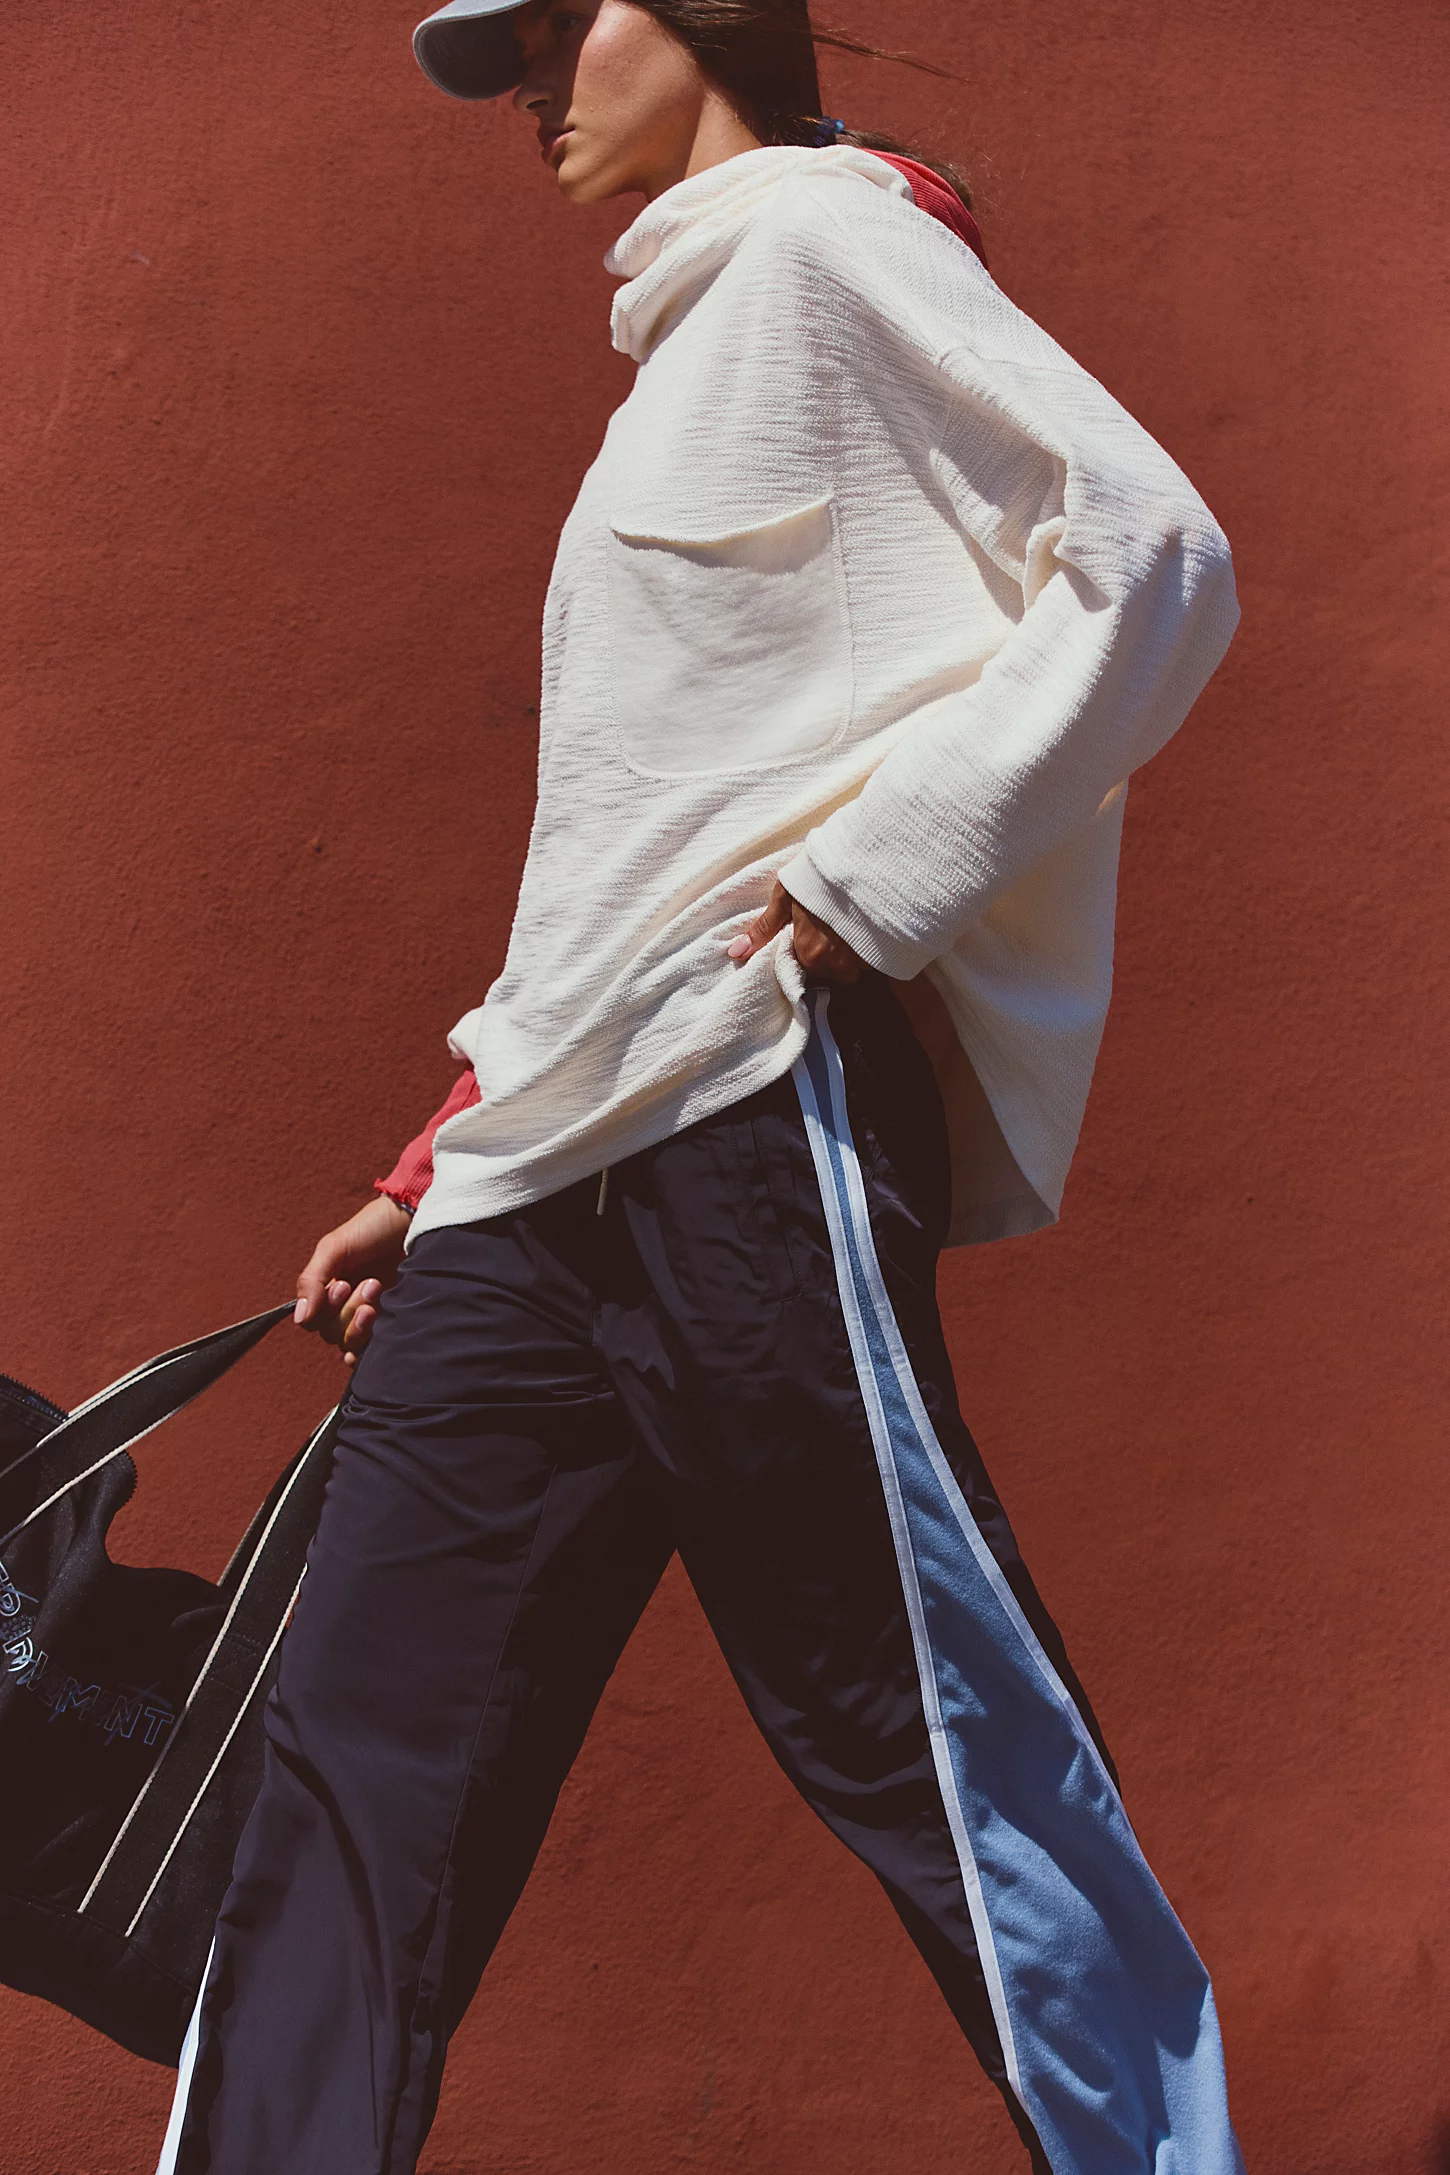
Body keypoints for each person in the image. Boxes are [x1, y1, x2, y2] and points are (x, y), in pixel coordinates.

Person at [156, 4, 1244, 2171]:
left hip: (749, 1112)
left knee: (927, 1730)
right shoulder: (685, 344)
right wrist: (435, 1153)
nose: (528, 86)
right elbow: (631, 831)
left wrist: (879, 872)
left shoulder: (831, 249)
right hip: (528, 1179)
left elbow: (1155, 550)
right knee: (355, 1759)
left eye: (562, 26)